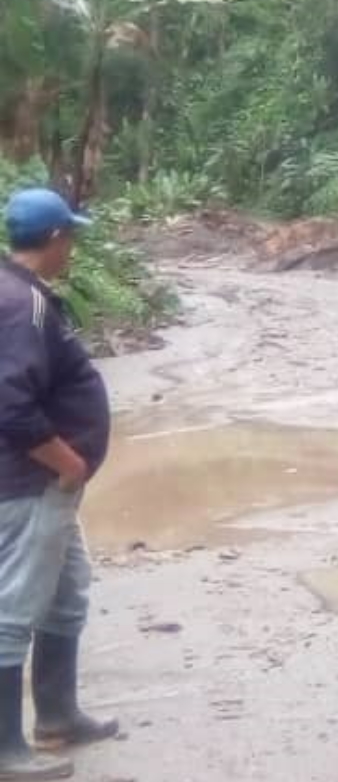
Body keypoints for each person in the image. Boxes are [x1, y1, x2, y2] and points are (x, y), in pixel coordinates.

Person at [0, 188, 119, 780]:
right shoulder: (25, 307)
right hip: (32, 482)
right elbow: (13, 407)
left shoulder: (19, 295)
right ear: (53, 240)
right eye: (69, 235)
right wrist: (67, 462)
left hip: (46, 484)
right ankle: (6, 746)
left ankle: (57, 716)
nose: (72, 245)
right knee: (16, 605)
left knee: (67, 592)